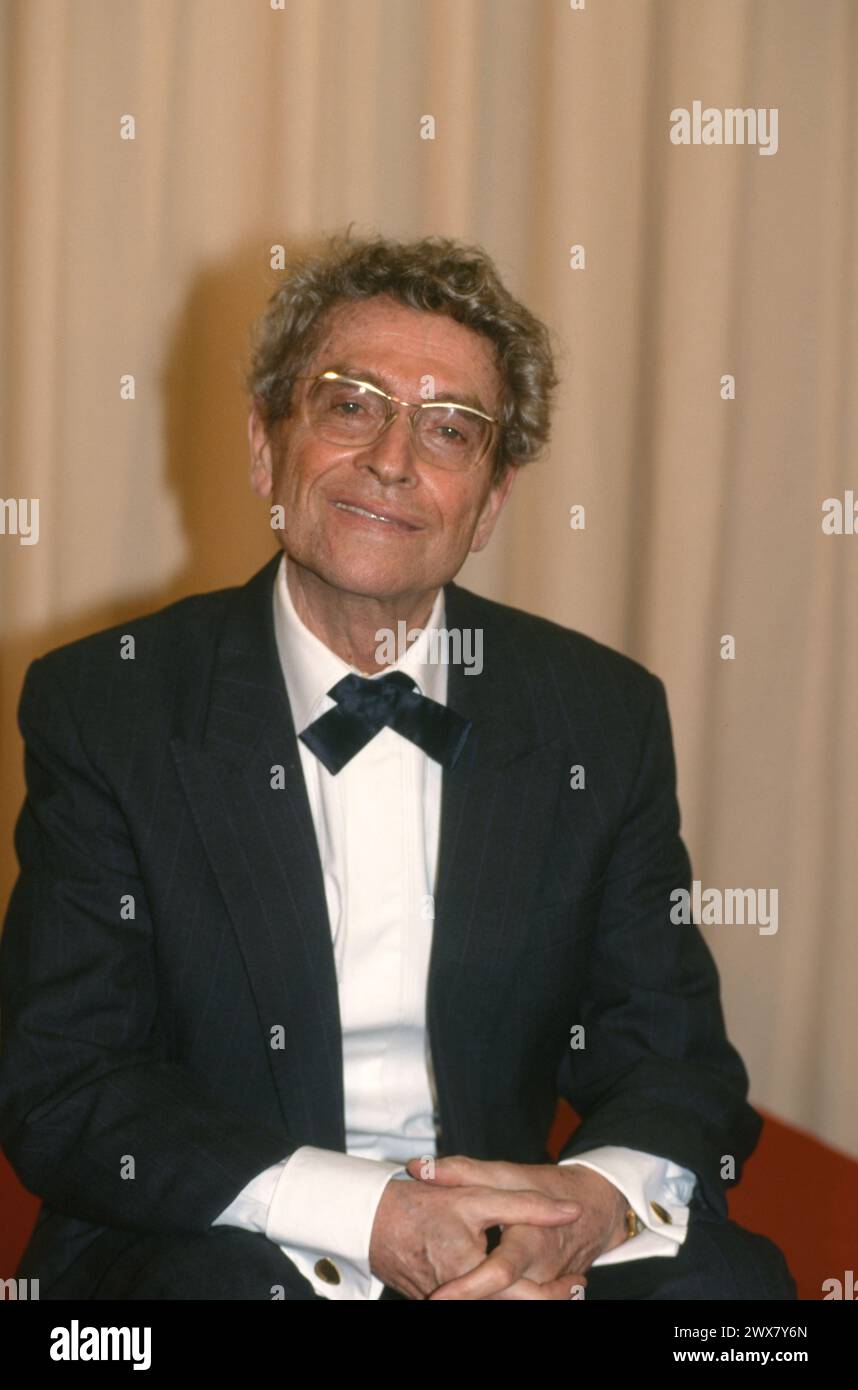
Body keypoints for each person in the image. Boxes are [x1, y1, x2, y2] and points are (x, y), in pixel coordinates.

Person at [0, 231, 796, 1300]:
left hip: (502, 1241)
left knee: (736, 1306)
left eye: (450, 429)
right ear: (263, 444)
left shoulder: (597, 717)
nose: (393, 459)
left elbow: (675, 1060)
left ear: (493, 499)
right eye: (350, 404)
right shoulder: (109, 705)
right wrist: (365, 1213)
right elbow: (63, 1081)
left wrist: (580, 1210)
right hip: (223, 1232)